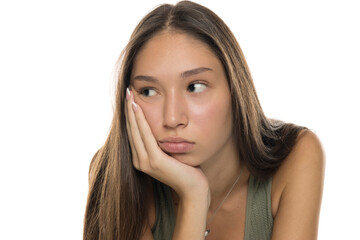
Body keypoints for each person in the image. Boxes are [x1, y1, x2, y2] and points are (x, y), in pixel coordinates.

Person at [83, 1, 325, 239]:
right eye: (148, 91)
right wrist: (194, 197)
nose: (173, 118)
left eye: (195, 87)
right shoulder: (112, 177)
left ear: (235, 89)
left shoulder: (295, 156)